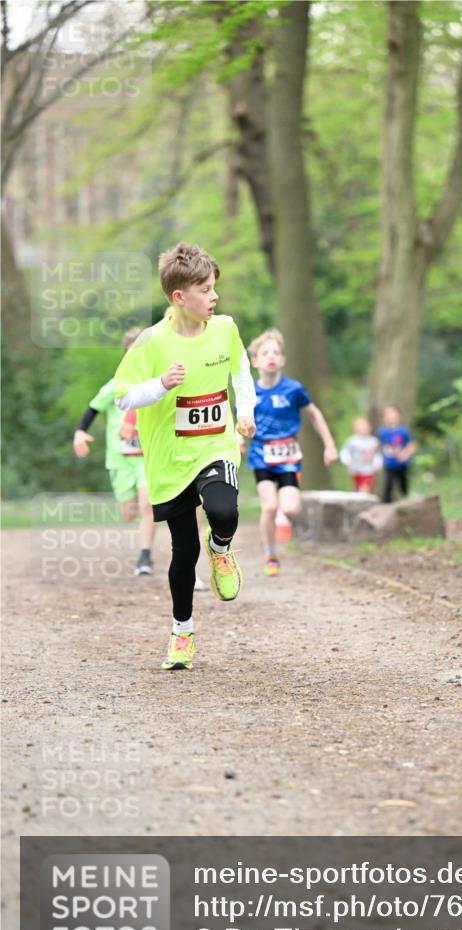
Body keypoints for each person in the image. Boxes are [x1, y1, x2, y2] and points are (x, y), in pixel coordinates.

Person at [113, 242, 256, 670]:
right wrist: (160, 384)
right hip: (171, 459)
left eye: (214, 288)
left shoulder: (225, 328)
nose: (215, 297)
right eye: (206, 290)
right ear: (179, 296)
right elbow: (123, 397)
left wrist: (245, 412)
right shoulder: (151, 342)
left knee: (224, 511)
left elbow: (241, 371)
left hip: (215, 444)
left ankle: (222, 547)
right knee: (183, 550)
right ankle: (182, 632)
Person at [246, 328, 337, 577]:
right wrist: (237, 439)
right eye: (265, 353)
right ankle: (271, 554)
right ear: (255, 361)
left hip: (288, 456)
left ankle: (281, 523)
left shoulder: (293, 389)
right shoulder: (249, 392)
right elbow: (239, 421)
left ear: (283, 359)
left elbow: (314, 414)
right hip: (261, 454)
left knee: (290, 509)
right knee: (269, 507)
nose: (271, 356)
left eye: (276, 352)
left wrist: (329, 445)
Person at [73, 327, 156, 575]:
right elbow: (93, 408)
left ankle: (144, 556)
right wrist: (80, 432)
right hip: (119, 459)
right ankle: (140, 531)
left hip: (147, 458)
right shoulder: (115, 385)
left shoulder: (156, 384)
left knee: (148, 505)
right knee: (129, 512)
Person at [377, 404, 416, 503]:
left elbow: (411, 445)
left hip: (402, 464)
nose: (390, 419)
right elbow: (378, 444)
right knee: (388, 485)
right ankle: (386, 504)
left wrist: (405, 454)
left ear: (398, 417)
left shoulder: (403, 431)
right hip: (389, 464)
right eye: (388, 417)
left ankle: (406, 501)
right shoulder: (382, 431)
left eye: (393, 417)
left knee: (403, 484)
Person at [340, 416, 382, 493]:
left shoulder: (373, 441)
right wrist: (346, 459)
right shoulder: (352, 441)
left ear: (369, 427)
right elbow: (345, 451)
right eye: (360, 426)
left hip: (368, 471)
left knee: (364, 489)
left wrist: (377, 464)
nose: (362, 428)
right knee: (356, 490)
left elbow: (377, 454)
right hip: (355, 470)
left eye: (364, 426)